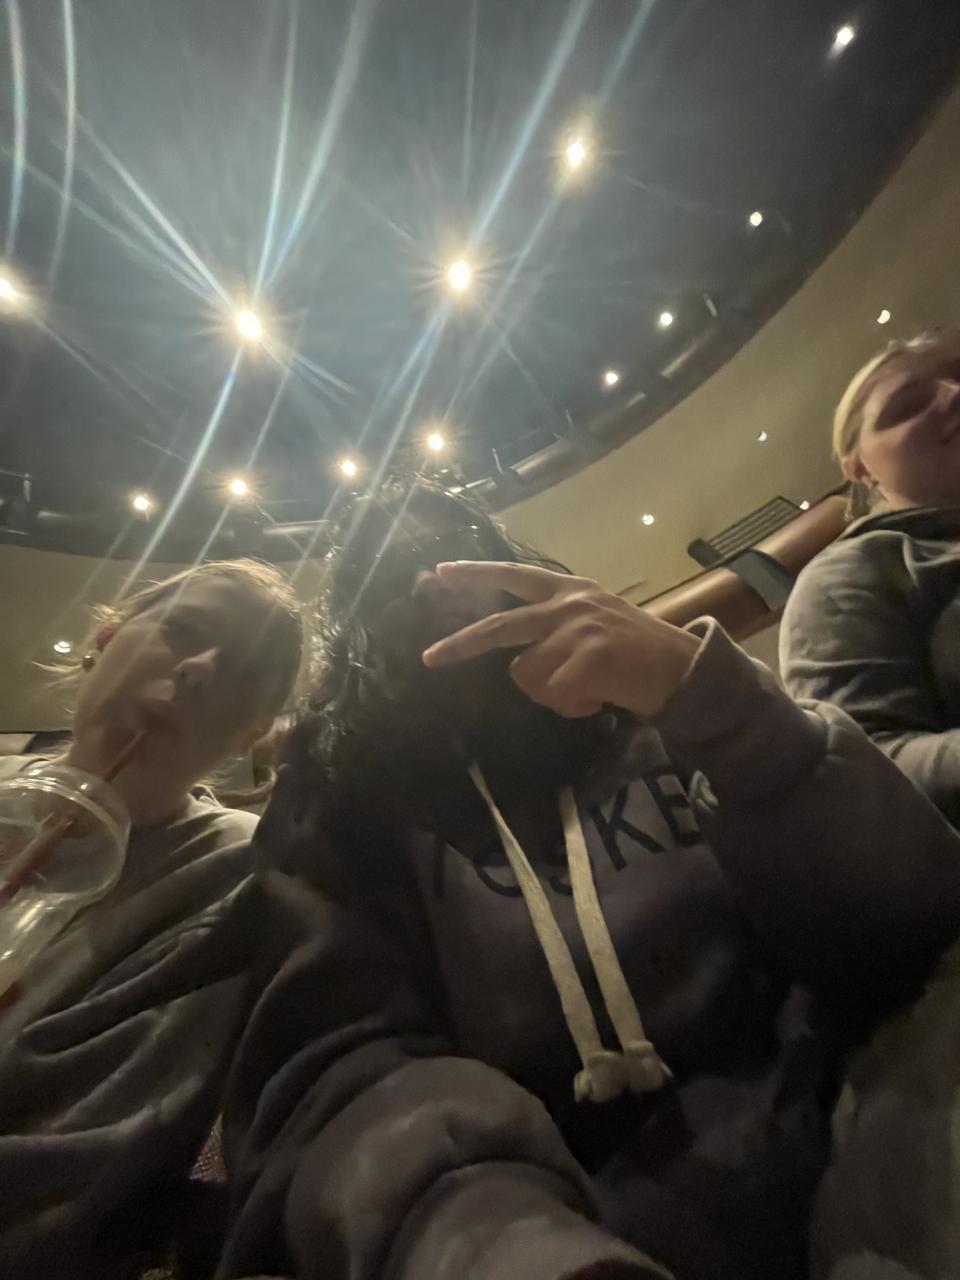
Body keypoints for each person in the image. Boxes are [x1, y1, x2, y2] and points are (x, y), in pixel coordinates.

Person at [218, 479, 960, 1280]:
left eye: (451, 551)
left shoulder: (651, 696)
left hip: (872, 1132)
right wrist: (500, 1250)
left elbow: (906, 928)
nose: (431, 581)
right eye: (392, 574)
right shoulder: (331, 799)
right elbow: (344, 1075)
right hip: (560, 1218)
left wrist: (725, 709)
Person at [0, 558, 304, 1280]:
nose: (201, 668)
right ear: (105, 638)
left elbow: (74, 1176)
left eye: (245, 672)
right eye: (184, 629)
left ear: (252, 732)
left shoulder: (239, 874)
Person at [781, 328, 960, 828]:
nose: (954, 394)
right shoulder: (846, 574)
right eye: (908, 406)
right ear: (861, 469)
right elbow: (866, 770)